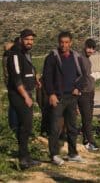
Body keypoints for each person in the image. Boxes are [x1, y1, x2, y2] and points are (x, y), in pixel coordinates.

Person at [43, 31, 84, 166]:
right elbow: (47, 78)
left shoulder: (76, 57)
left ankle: (72, 153)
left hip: (72, 98)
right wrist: (51, 94)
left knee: (72, 127)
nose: (64, 45)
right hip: (58, 98)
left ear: (71, 43)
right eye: (62, 42)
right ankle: (54, 155)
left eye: (67, 42)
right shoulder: (52, 57)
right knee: (55, 127)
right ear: (58, 42)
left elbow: (82, 75)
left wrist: (78, 87)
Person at [6, 29, 41, 170]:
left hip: (26, 93)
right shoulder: (15, 54)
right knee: (25, 126)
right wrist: (26, 96)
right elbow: (16, 78)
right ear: (21, 39)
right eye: (27, 39)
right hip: (19, 95)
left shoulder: (26, 53)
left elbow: (28, 72)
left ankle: (25, 157)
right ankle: (23, 159)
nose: (30, 42)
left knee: (26, 126)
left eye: (32, 40)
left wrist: (35, 79)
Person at [78, 38, 98, 151]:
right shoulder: (80, 59)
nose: (90, 50)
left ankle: (86, 140)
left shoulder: (87, 59)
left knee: (88, 118)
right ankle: (90, 142)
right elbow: (78, 76)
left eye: (92, 49)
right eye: (89, 48)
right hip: (83, 93)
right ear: (84, 47)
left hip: (90, 92)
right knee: (86, 118)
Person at [3, 38, 20, 133]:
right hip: (12, 84)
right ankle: (14, 127)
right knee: (14, 105)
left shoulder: (8, 55)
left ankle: (14, 127)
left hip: (11, 83)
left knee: (14, 105)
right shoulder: (10, 55)